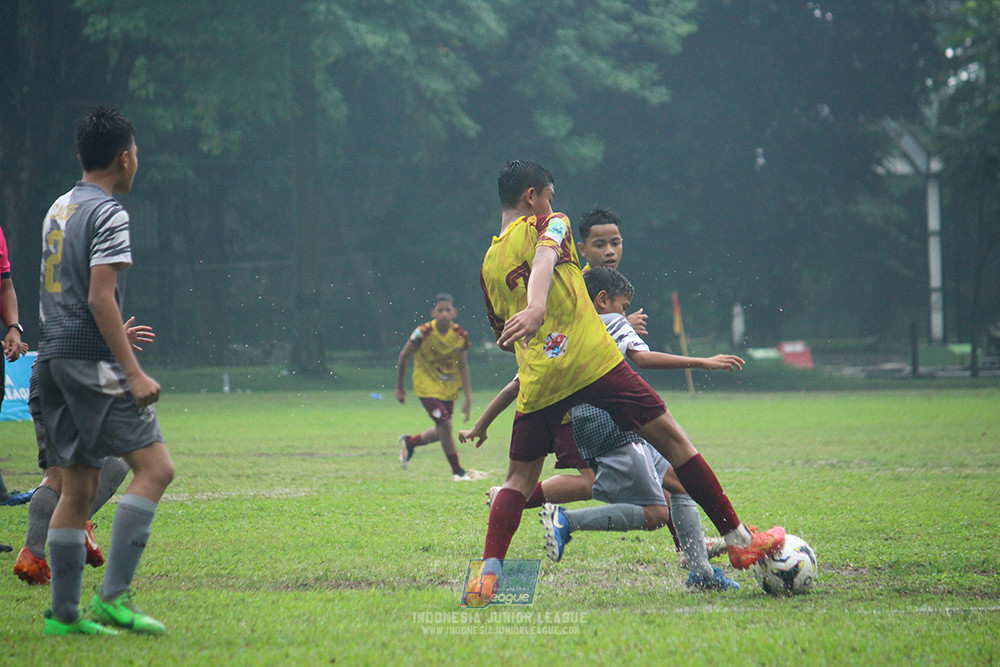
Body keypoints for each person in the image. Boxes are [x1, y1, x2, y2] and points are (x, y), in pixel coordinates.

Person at [464, 160, 783, 605]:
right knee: (675, 442)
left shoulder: (488, 265)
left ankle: (486, 581)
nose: (553, 203)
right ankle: (738, 538)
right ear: (532, 197)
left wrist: (539, 331)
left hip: (540, 378)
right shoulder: (550, 223)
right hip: (592, 361)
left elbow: (502, 335)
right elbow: (543, 258)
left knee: (517, 481)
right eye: (549, 195)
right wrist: (540, 306)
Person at [461, 267, 741, 591]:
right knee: (654, 512)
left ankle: (700, 572)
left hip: (588, 424)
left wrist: (481, 425)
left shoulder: (563, 332)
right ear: (603, 300)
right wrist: (703, 362)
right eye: (623, 307)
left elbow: (517, 384)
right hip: (617, 423)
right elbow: (643, 359)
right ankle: (563, 519)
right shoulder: (609, 321)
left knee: (678, 482)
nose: (624, 313)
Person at [36, 106, 174, 636]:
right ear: (124, 157)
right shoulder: (110, 213)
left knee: (78, 486)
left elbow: (65, 293)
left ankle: (65, 616)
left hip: (51, 357)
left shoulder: (58, 207)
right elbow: (100, 297)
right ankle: (114, 597)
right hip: (87, 361)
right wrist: (133, 372)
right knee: (156, 469)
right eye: (136, 152)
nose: (137, 160)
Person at [14, 318, 153, 585]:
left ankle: (33, 554)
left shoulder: (56, 283)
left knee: (53, 474)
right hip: (79, 371)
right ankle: (79, 522)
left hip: (43, 371)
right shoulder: (94, 279)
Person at [395, 293, 476, 481]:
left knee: (443, 431)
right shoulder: (422, 332)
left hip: (448, 388)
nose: (444, 314)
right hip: (426, 386)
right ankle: (457, 471)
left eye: (448, 310)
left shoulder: (460, 335)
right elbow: (403, 356)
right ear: (433, 313)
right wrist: (399, 387)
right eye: (440, 310)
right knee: (446, 425)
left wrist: (469, 398)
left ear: (454, 313)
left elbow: (463, 366)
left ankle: (410, 442)